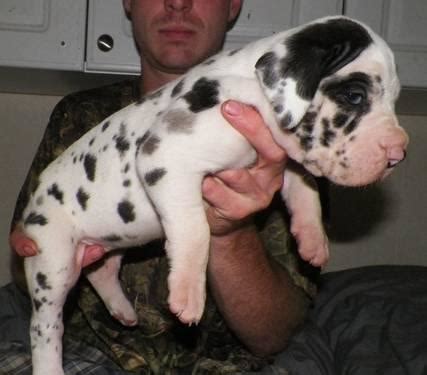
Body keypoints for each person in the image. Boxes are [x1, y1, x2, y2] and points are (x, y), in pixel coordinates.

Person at [5, 0, 317, 373]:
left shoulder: (279, 128)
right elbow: (27, 268)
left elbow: (277, 334)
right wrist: (38, 250)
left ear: (233, 5)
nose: (178, 2)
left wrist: (228, 230)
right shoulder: (79, 116)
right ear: (128, 3)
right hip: (87, 357)